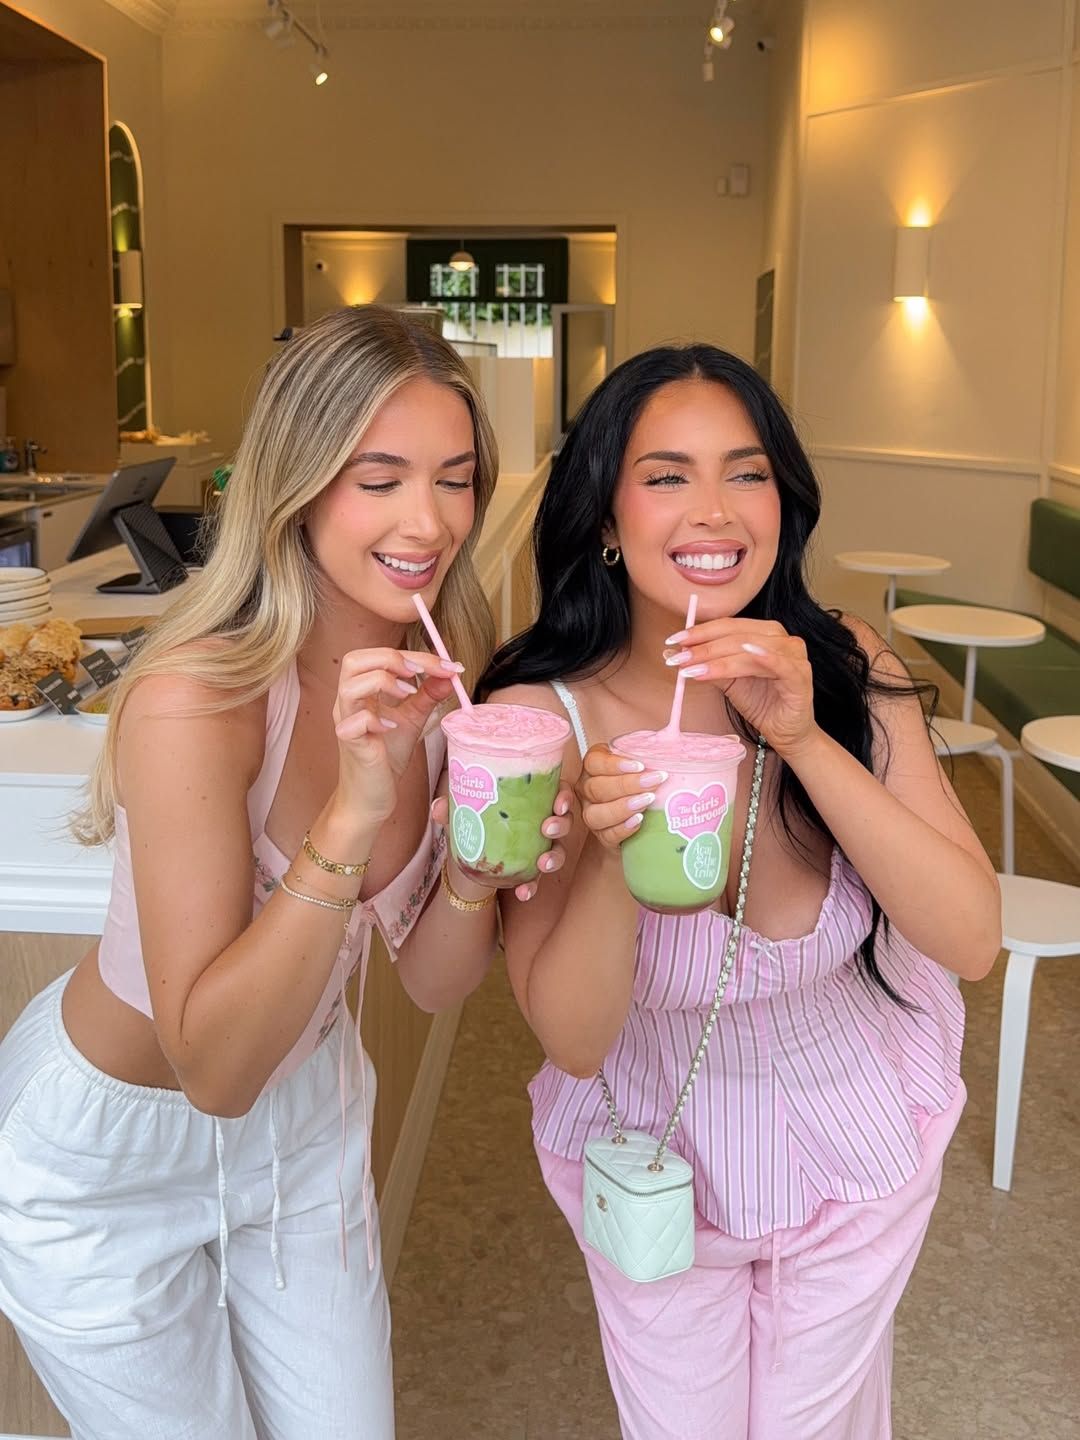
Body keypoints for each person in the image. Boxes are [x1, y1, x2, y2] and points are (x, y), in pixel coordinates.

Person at [0, 305, 569, 1440]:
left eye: (455, 479)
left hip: (306, 1117)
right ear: (298, 486)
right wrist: (356, 809)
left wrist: (473, 877)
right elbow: (214, 1069)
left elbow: (432, 984)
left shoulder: (440, 675)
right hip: (113, 1159)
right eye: (379, 479)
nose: (429, 521)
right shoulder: (197, 701)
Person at [481, 343, 1000, 1439]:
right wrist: (611, 860)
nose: (714, 510)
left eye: (747, 471)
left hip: (854, 1137)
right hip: (651, 1156)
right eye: (666, 475)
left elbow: (968, 938)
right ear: (607, 516)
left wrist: (804, 737)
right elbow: (573, 1039)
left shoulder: (845, 663)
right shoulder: (541, 722)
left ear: (782, 501)